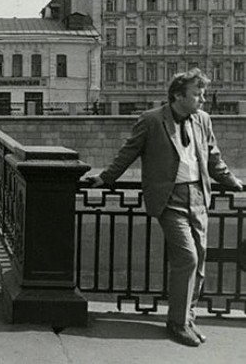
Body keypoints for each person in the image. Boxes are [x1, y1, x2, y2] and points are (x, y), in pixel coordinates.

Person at [87, 68, 243, 347]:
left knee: (200, 262)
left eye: (202, 94)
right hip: (169, 199)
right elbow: (129, 151)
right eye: (197, 94)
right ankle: (178, 323)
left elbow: (213, 158)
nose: (203, 99)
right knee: (188, 258)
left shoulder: (203, 120)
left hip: (198, 196)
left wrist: (232, 180)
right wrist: (105, 178)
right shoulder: (151, 120)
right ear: (177, 95)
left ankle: (187, 317)